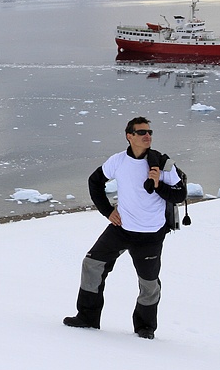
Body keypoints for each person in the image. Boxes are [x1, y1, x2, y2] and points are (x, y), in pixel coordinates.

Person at [63, 116, 187, 339]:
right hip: (121, 229)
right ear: (129, 136)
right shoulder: (118, 161)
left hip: (151, 234)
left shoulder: (164, 164)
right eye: (141, 132)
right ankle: (87, 317)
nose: (147, 135)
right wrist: (108, 211)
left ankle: (145, 328)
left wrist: (158, 185)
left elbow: (180, 195)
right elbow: (95, 182)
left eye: (149, 132)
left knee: (149, 284)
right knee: (92, 264)